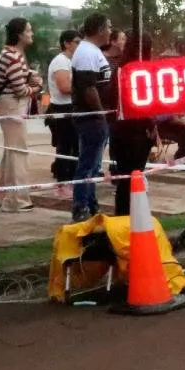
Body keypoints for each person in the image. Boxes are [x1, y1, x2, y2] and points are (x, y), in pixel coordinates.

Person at [0, 17, 43, 213]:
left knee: (11, 152)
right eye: (29, 30)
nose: (31, 34)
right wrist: (37, 86)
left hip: (11, 107)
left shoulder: (11, 54)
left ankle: (3, 196)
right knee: (18, 152)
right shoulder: (12, 56)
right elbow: (20, 89)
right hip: (13, 107)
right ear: (19, 34)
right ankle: (17, 200)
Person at [69, 13, 113, 221]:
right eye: (109, 27)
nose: (111, 32)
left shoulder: (92, 51)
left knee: (94, 165)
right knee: (87, 163)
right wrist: (100, 112)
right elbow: (88, 87)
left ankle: (91, 204)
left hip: (95, 117)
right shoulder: (86, 52)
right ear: (101, 29)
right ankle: (81, 207)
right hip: (91, 118)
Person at [110, 32, 157, 216]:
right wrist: (151, 125)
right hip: (135, 132)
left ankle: (125, 216)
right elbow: (143, 104)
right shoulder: (138, 71)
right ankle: (129, 217)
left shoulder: (118, 69)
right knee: (132, 177)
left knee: (126, 179)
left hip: (120, 130)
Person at [45, 28, 79, 188]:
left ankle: (70, 174)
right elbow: (64, 87)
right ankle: (63, 177)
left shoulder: (71, 61)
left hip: (70, 107)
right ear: (66, 43)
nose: (79, 46)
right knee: (65, 145)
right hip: (62, 108)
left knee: (73, 144)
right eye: (76, 42)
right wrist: (84, 87)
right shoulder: (60, 61)